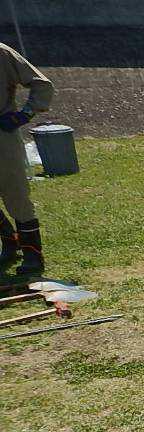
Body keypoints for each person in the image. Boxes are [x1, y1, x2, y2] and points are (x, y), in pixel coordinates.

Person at [0, 43, 54, 275]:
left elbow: (41, 84)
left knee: (16, 195)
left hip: (2, 136)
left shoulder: (1, 53)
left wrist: (24, 114)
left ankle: (33, 255)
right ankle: (9, 243)